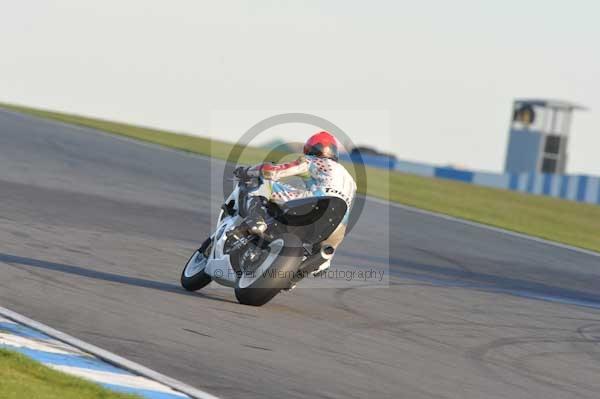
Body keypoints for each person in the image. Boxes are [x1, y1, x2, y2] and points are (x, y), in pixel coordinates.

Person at [234, 131, 356, 258]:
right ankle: (322, 259)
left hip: (317, 203)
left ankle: (256, 219)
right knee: (324, 252)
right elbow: (343, 210)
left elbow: (271, 172)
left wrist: (247, 171)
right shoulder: (349, 180)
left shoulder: (313, 161)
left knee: (265, 182)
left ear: (310, 149)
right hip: (337, 224)